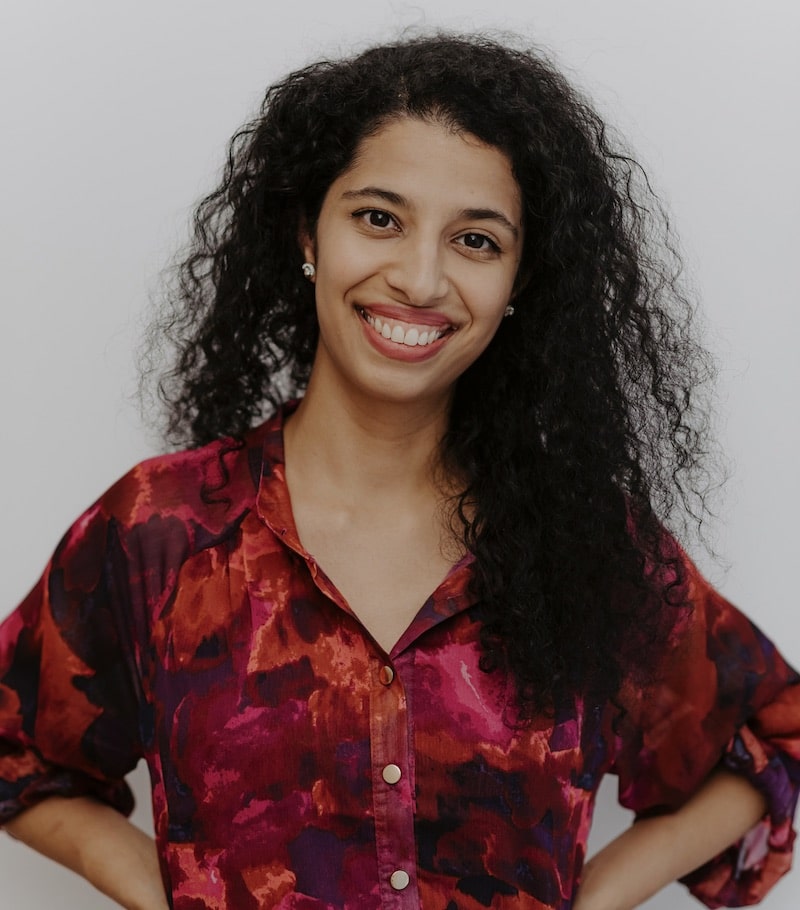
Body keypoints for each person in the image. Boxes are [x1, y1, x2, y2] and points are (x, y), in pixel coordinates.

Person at [0, 32, 798, 910]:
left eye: (476, 240)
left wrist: (594, 898)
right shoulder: (163, 530)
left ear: (521, 279)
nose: (420, 279)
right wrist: (159, 895)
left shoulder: (586, 544)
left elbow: (776, 731)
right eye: (379, 218)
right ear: (308, 231)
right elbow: (12, 747)